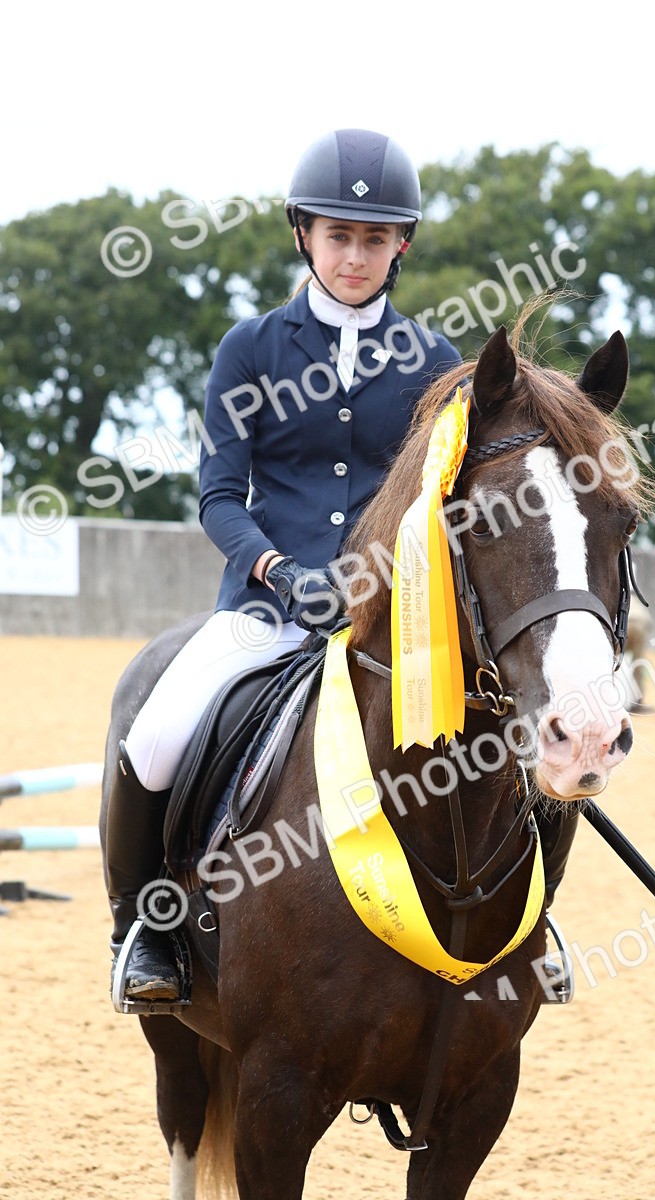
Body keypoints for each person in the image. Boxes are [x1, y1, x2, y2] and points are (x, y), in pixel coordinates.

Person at [104, 128, 461, 1003]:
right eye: (339, 235)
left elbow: (442, 502)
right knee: (153, 735)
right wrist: (273, 569)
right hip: (266, 605)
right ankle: (144, 929)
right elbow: (219, 495)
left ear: (401, 244)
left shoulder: (436, 363)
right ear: (304, 233)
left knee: (488, 737)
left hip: (388, 617)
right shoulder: (251, 348)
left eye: (376, 238)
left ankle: (525, 921)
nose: (356, 255)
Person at [623, 594, 655, 714]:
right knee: (638, 665)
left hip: (626, 623)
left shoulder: (621, 597)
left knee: (612, 661)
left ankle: (607, 698)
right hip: (641, 625)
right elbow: (649, 623)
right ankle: (639, 702)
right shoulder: (638, 601)